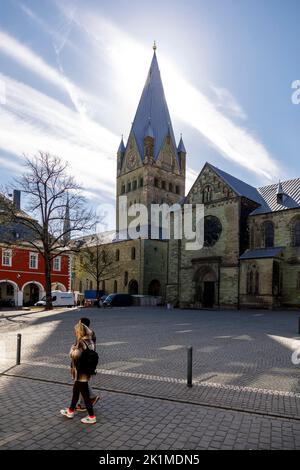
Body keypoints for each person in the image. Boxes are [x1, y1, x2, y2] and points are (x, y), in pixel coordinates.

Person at [60, 321, 97, 424]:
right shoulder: (90, 341)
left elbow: (75, 355)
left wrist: (72, 349)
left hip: (80, 372)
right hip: (86, 370)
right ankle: (70, 411)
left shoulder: (81, 342)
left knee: (85, 395)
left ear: (80, 332)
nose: (75, 333)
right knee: (75, 392)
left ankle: (92, 416)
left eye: (76, 331)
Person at [76, 317, 100, 412]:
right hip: (90, 360)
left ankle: (89, 401)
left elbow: (80, 349)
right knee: (81, 383)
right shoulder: (92, 333)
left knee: (82, 383)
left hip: (84, 361)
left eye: (79, 323)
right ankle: (82, 403)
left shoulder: (84, 334)